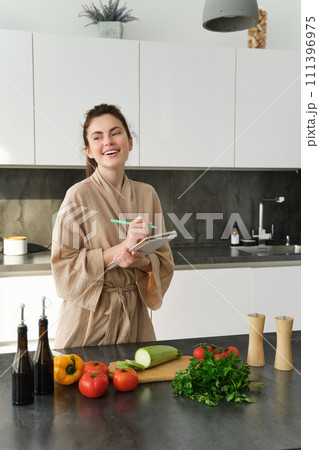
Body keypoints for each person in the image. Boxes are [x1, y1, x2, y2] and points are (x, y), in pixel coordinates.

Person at [51, 103, 174, 348]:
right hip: (88, 320)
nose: (108, 141)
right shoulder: (78, 197)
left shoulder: (148, 194)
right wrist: (121, 249)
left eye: (115, 133)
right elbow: (63, 268)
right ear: (89, 151)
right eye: (98, 137)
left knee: (140, 385)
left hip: (135, 321)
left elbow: (164, 260)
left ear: (129, 142)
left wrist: (142, 262)